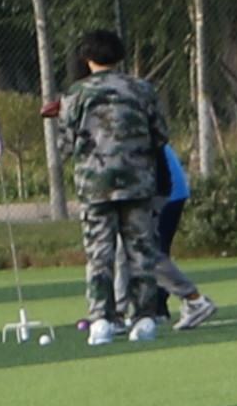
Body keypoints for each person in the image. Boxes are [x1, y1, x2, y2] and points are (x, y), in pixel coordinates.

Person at [62, 30, 201, 336]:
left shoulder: (76, 94)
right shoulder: (142, 89)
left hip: (95, 185)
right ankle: (144, 318)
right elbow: (160, 135)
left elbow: (66, 142)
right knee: (141, 251)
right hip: (139, 183)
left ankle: (101, 319)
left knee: (100, 253)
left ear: (86, 58)